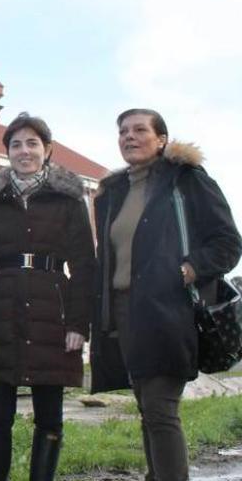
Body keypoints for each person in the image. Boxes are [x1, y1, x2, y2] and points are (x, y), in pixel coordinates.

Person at [90, 108, 241, 481]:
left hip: (169, 310)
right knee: (149, 408)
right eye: (122, 130)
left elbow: (227, 243)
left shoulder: (185, 180)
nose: (129, 136)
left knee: (159, 409)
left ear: (161, 139)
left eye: (140, 129)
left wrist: (186, 269)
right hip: (125, 312)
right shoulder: (114, 192)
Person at [0, 112, 96, 481]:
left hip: (53, 315)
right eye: (16, 144)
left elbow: (84, 267)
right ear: (8, 153)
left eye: (32, 143)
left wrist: (79, 323)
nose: (24, 151)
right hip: (0, 314)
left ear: (47, 150)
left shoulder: (68, 200)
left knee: (49, 416)